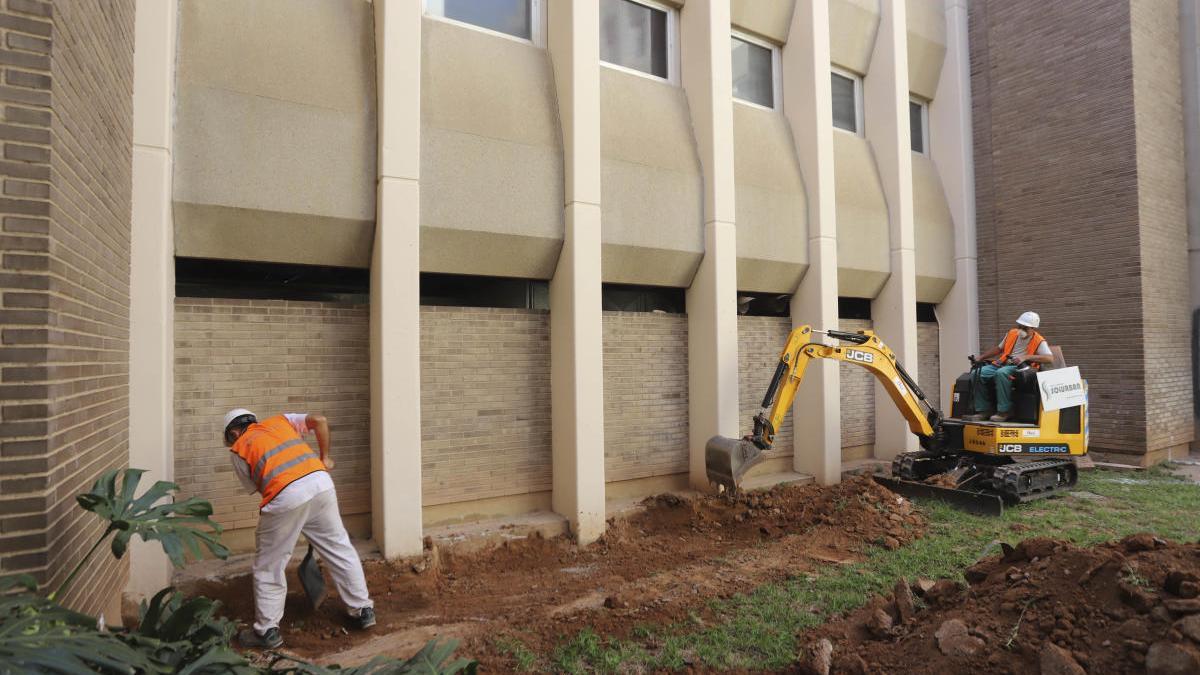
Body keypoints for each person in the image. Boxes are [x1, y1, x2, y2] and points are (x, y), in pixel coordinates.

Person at [222, 408, 375, 649]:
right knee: (339, 547)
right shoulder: (281, 421)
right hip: (321, 482)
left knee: (268, 565)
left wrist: (292, 514)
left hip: (285, 496)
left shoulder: (239, 448)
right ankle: (363, 610)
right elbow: (320, 420)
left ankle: (267, 631)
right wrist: (325, 457)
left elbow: (261, 487)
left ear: (233, 432)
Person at [966, 312, 1053, 422]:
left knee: (1002, 373)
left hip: (1021, 368)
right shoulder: (1012, 333)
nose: (1021, 329)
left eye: (1025, 328)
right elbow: (999, 349)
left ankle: (1004, 411)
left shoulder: (1039, 340)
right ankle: (984, 409)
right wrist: (981, 357)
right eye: (1020, 326)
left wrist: (1025, 357)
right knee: (977, 374)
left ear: (1033, 328)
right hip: (1003, 363)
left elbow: (1049, 358)